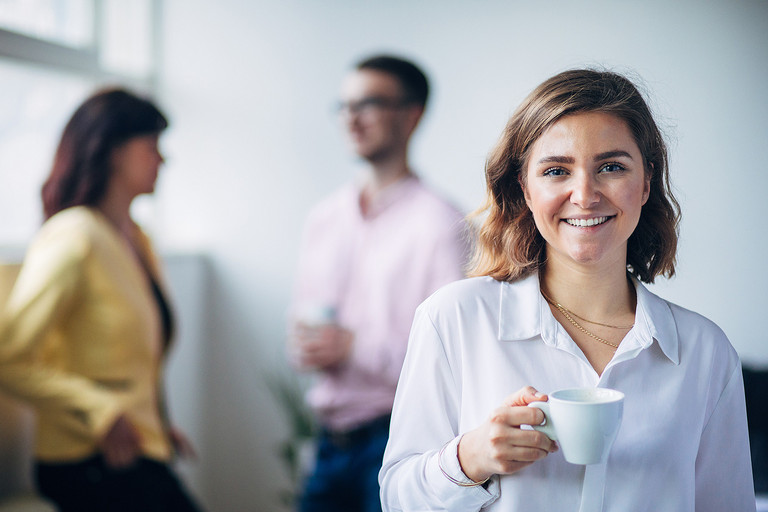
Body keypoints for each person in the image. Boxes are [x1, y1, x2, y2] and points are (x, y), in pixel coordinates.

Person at [379, 69, 756, 511]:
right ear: (524, 188)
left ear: (647, 182)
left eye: (611, 167)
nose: (584, 194)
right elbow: (397, 497)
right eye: (557, 170)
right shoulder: (454, 319)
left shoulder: (705, 352)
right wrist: (470, 458)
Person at [0, 88, 204, 512]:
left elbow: (134, 361)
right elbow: (8, 358)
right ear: (113, 151)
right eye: (152, 146)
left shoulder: (137, 239)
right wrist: (101, 411)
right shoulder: (74, 235)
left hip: (137, 449)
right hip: (86, 460)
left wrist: (158, 424)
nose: (162, 160)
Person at [289, 55, 469, 511]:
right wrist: (306, 347)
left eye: (369, 103)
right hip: (329, 441)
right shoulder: (323, 218)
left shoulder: (443, 225)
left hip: (399, 439)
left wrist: (354, 349)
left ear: (411, 115)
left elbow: (451, 356)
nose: (352, 117)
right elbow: (303, 328)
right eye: (345, 105)